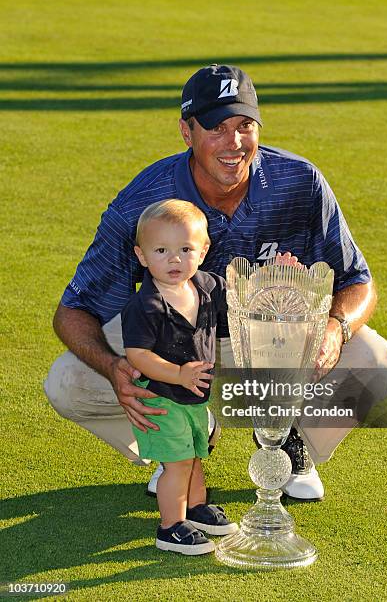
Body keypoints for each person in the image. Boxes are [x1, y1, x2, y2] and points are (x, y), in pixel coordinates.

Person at [44, 64, 387, 503]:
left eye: (244, 125)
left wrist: (336, 328)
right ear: (186, 131)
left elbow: (357, 281)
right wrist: (112, 368)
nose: (233, 143)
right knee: (67, 381)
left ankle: (287, 445)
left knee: (379, 365)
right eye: (215, 127)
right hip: (175, 344)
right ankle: (181, 444)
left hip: (274, 342)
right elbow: (74, 310)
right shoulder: (143, 200)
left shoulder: (300, 181)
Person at [121, 199, 237, 554]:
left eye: (185, 249)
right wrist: (178, 373)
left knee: (195, 452)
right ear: (142, 256)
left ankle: (197, 508)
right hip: (160, 397)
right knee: (177, 463)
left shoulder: (206, 287)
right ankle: (170, 527)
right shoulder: (145, 306)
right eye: (161, 250)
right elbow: (138, 356)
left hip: (193, 396)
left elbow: (243, 298)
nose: (174, 259)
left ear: (203, 251)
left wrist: (275, 273)